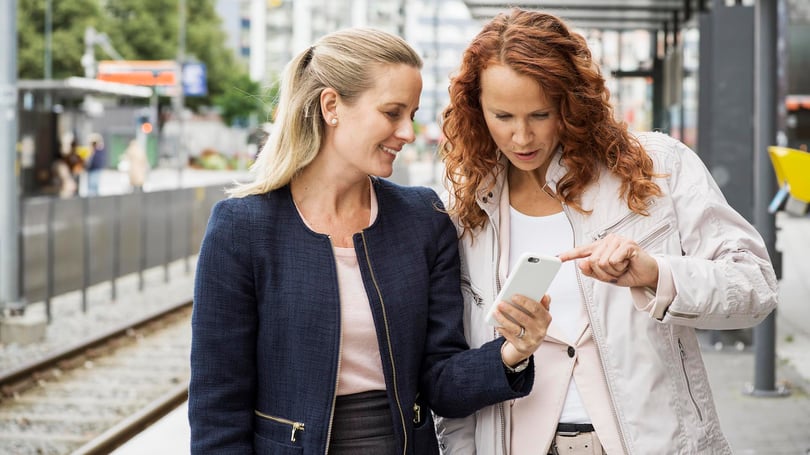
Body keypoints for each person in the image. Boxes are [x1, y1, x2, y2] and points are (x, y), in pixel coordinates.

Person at [188, 27, 552, 454]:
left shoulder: (422, 218)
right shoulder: (242, 227)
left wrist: (511, 352)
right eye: (392, 112)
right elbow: (218, 406)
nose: (408, 133)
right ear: (331, 106)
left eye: (412, 115)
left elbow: (440, 381)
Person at [435, 8, 779, 455]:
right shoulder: (469, 207)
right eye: (502, 116)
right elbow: (456, 369)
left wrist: (657, 274)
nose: (522, 137)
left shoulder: (658, 166)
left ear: (571, 101)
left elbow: (755, 287)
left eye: (540, 113)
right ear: (476, 109)